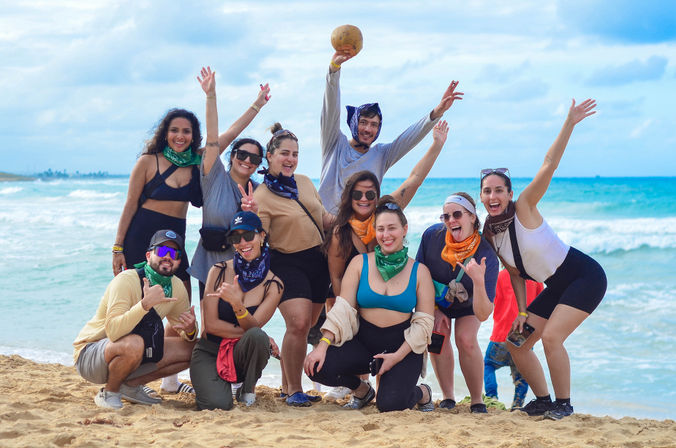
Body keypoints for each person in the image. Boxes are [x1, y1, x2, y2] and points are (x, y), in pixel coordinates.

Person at [479, 98, 607, 420]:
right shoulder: (491, 235)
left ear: (509, 194)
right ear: (482, 197)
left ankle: (564, 404)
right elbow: (516, 275)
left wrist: (570, 122)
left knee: (551, 337)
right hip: (557, 285)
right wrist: (522, 311)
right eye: (487, 191)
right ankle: (543, 400)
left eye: (498, 190)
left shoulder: (525, 207)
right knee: (516, 342)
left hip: (584, 276)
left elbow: (549, 164)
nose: (493, 197)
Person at [319, 120, 450, 401]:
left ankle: (414, 390)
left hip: (397, 330)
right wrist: (340, 329)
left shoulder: (387, 215)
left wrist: (436, 146)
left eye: (370, 194)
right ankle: (359, 386)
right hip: (355, 307)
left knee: (391, 402)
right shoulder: (341, 232)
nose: (364, 199)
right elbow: (338, 282)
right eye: (357, 194)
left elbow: (414, 178)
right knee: (331, 355)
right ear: (348, 196)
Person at [304, 196, 435, 412]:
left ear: (404, 229)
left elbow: (424, 324)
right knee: (316, 367)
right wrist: (322, 345)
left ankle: (423, 393)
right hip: (363, 343)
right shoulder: (359, 263)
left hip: (402, 346)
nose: (386, 235)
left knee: (390, 405)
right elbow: (342, 310)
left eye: (392, 228)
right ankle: (362, 391)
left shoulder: (419, 272)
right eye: (381, 229)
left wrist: (396, 357)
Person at [319, 49, 463, 214]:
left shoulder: (381, 155)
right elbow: (331, 109)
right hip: (323, 227)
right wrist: (334, 70)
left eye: (374, 125)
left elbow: (407, 139)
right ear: (353, 123)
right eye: (363, 122)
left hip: (358, 232)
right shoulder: (335, 143)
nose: (368, 129)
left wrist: (437, 112)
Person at [253, 124, 334, 407]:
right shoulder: (261, 196)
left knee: (308, 324)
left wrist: (355, 220)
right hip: (285, 262)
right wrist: (250, 217)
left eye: (295, 154)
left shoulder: (305, 181)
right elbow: (259, 241)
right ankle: (294, 390)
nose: (290, 159)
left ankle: (288, 386)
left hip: (318, 261)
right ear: (270, 156)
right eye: (284, 153)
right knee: (298, 324)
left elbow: (323, 218)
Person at [74, 230, 198, 409]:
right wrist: (144, 305)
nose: (168, 257)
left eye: (175, 254)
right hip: (91, 354)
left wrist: (190, 330)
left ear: (179, 260)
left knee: (195, 349)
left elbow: (188, 336)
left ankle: (130, 386)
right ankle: (110, 392)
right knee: (135, 343)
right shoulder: (127, 280)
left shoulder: (176, 287)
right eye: (162, 251)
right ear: (149, 255)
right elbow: (113, 331)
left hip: (134, 352)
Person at [189, 66, 270, 300]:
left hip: (243, 269)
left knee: (238, 327)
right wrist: (211, 96)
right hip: (209, 263)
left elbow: (264, 234)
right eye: (242, 154)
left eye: (254, 158)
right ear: (232, 156)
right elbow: (215, 137)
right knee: (210, 328)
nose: (247, 160)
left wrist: (254, 213)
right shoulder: (214, 177)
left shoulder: (259, 191)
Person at [190, 212, 282, 410]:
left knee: (257, 336)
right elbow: (211, 326)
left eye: (248, 235)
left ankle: (247, 389)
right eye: (235, 238)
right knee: (216, 405)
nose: (242, 242)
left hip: (241, 355)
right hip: (210, 351)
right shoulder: (218, 271)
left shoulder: (274, 285)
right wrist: (259, 335)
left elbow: (254, 330)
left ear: (262, 236)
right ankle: (220, 388)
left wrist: (237, 305)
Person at [416, 193, 499, 413]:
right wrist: (433, 310)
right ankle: (448, 396)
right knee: (438, 335)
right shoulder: (432, 236)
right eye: (446, 216)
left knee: (466, 339)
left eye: (457, 214)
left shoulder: (486, 254)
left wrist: (479, 282)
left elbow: (483, 314)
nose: (451, 220)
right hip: (437, 301)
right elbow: (419, 276)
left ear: (472, 217)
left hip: (470, 305)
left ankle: (476, 399)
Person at [484, 269, 543, 409]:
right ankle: (517, 405)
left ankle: (492, 395)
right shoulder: (536, 279)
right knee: (523, 373)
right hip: (523, 334)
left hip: (501, 333)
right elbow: (541, 305)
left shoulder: (500, 276)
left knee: (488, 365)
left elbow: (491, 301)